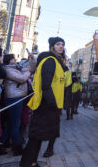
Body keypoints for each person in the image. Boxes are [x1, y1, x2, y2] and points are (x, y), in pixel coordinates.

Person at [20, 37, 66, 167]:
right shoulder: (50, 61)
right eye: (58, 44)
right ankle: (27, 163)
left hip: (48, 104)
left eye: (62, 44)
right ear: (52, 47)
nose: (61, 47)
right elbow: (46, 84)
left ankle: (32, 162)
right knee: (36, 137)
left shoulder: (55, 61)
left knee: (39, 136)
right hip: (45, 104)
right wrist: (52, 103)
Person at [0, 54, 31, 155]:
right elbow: (22, 78)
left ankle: (1, 144)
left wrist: (31, 60)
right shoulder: (8, 70)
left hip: (17, 97)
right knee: (15, 124)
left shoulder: (16, 68)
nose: (16, 59)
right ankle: (17, 147)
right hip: (13, 98)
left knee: (10, 123)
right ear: (9, 60)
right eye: (13, 58)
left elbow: (28, 69)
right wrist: (28, 72)